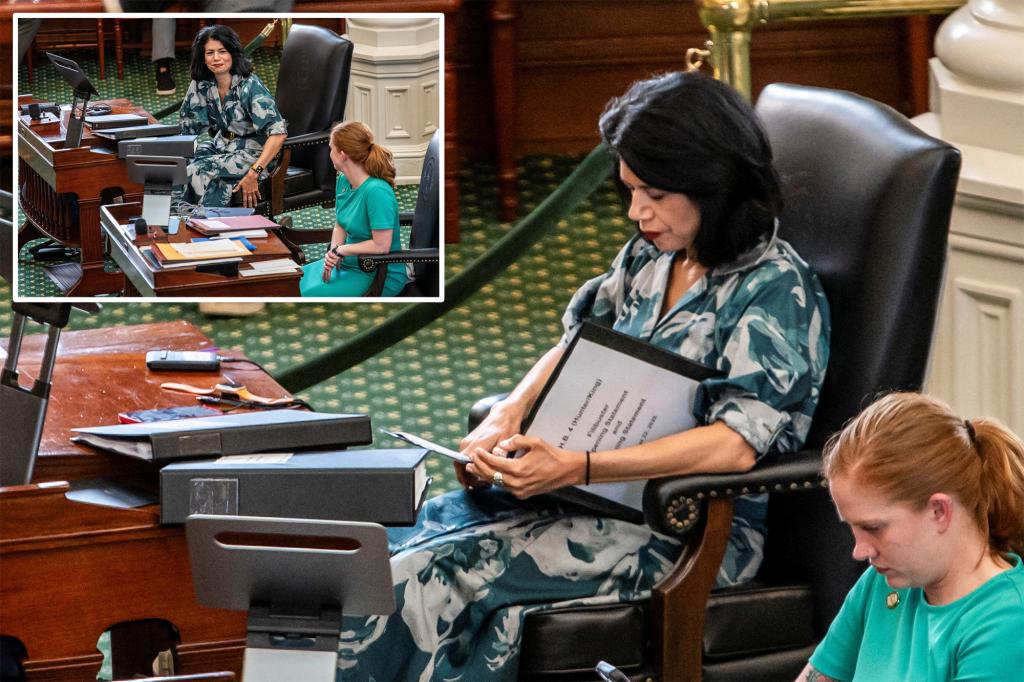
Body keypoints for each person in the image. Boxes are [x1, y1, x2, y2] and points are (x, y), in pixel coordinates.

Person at [337, 71, 831, 680]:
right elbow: (576, 344)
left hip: (686, 527)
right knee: (379, 550)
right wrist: (507, 417)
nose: (636, 212)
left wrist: (580, 467)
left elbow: (734, 445)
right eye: (629, 191)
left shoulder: (777, 289)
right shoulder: (656, 250)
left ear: (714, 183)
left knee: (422, 578)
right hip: (586, 495)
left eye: (652, 193)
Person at [797, 393, 1024, 682]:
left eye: (874, 528)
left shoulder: (1008, 621)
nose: (859, 550)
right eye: (852, 527)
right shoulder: (880, 584)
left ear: (939, 511)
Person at [176, 24, 287, 208]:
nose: (216, 58)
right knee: (179, 166)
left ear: (233, 53)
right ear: (202, 57)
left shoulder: (250, 85)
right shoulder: (201, 83)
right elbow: (187, 127)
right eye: (210, 53)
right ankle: (171, 223)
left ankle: (193, 221)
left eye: (222, 51)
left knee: (199, 169)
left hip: (254, 153)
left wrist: (254, 172)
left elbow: (278, 134)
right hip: (222, 145)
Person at [299, 121, 408, 297]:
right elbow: (340, 225)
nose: (330, 154)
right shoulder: (343, 181)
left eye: (331, 149)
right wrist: (333, 252)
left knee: (303, 295)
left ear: (342, 155)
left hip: (375, 272)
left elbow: (381, 246)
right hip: (347, 264)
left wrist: (341, 251)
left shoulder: (376, 191)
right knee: (292, 281)